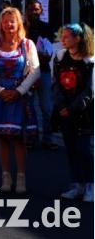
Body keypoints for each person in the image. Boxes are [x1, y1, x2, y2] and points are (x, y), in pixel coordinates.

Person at [0, 7, 40, 194]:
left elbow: (35, 71)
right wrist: (0, 91)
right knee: (3, 138)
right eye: (5, 21)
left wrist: (19, 90)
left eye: (12, 21)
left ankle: (21, 177)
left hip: (19, 97)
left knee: (18, 139)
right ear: (1, 24)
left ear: (19, 23)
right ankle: (6, 177)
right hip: (0, 97)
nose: (9, 25)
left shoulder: (28, 45)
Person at [52, 23, 94, 202]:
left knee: (84, 149)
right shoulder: (60, 57)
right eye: (62, 36)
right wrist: (61, 105)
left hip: (84, 113)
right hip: (65, 112)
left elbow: (90, 90)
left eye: (67, 36)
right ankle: (76, 184)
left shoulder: (89, 61)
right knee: (70, 148)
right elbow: (55, 84)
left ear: (78, 39)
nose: (63, 39)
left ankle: (90, 185)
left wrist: (73, 108)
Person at [25, 0, 57, 149]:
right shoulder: (22, 28)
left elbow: (47, 53)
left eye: (36, 9)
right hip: (26, 74)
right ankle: (31, 139)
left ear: (41, 11)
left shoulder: (46, 28)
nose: (34, 12)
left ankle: (48, 139)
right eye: (31, 9)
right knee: (29, 108)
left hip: (43, 71)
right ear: (26, 11)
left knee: (46, 108)